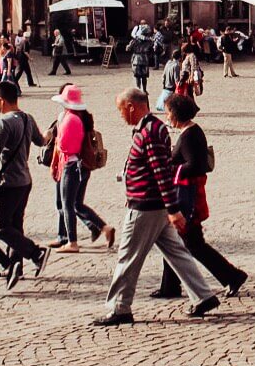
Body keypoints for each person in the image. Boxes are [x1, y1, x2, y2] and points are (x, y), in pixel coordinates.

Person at [93, 88, 220, 325]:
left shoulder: (150, 131)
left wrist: (172, 209)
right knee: (176, 252)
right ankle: (203, 296)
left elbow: (161, 172)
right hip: (154, 205)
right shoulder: (150, 128)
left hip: (146, 206)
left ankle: (120, 307)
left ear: (131, 106)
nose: (120, 115)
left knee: (128, 256)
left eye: (121, 110)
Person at [152, 93, 248, 299]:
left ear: (176, 113)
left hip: (188, 198)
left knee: (193, 244)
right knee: (174, 241)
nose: (167, 117)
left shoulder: (190, 135)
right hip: (187, 196)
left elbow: (195, 165)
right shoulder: (190, 132)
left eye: (168, 113)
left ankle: (233, 276)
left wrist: (170, 169)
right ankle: (170, 285)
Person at [0, 81, 51, 290]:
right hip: (25, 180)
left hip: (9, 182)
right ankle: (16, 266)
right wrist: (50, 133)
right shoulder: (28, 118)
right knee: (15, 225)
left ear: (1, 100)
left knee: (1, 226)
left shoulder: (4, 123)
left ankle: (35, 253)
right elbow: (41, 141)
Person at [48, 84, 115, 253]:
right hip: (82, 165)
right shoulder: (81, 117)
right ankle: (103, 227)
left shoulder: (70, 119)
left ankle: (72, 241)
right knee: (77, 203)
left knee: (67, 204)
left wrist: (57, 142)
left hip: (71, 165)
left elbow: (65, 146)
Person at [127, 25, 154, 92]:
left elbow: (128, 49)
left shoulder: (135, 40)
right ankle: (144, 90)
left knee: (137, 76)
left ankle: (138, 90)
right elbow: (152, 49)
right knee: (144, 76)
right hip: (145, 58)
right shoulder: (149, 41)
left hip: (136, 59)